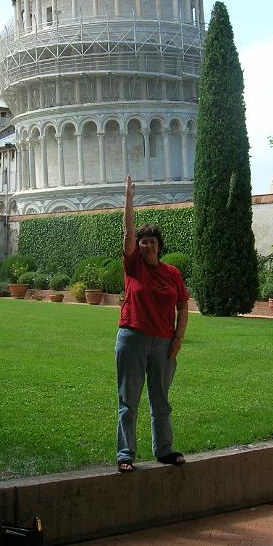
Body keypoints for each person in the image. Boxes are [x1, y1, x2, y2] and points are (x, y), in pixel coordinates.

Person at [115, 174, 189, 473]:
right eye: (142, 242)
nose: (145, 246)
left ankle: (165, 451)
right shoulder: (133, 267)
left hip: (163, 343)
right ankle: (125, 455)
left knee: (161, 401)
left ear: (159, 246)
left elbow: (183, 305)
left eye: (151, 242)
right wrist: (129, 201)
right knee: (128, 400)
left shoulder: (172, 273)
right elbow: (127, 232)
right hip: (133, 337)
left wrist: (178, 339)